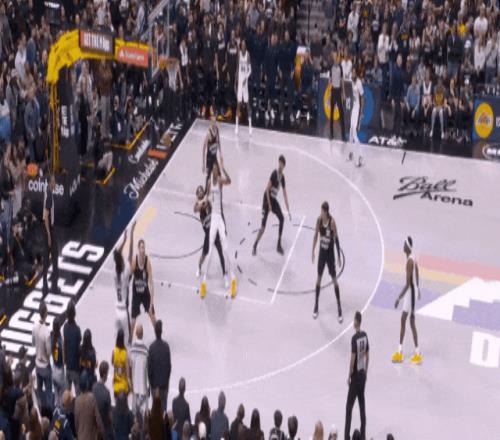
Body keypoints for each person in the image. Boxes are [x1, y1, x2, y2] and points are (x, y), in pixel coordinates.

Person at [200, 160, 236, 298]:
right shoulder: (210, 182)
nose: (215, 171)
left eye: (216, 169)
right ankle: (203, 283)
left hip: (219, 217)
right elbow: (207, 195)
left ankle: (231, 278)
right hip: (213, 218)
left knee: (225, 249)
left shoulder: (220, 180)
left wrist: (224, 168)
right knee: (209, 251)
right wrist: (204, 202)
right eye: (214, 169)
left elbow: (230, 181)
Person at [392, 236, 423, 364]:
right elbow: (418, 272)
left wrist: (398, 298)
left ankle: (417, 353)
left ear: (408, 247)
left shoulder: (410, 262)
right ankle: (400, 351)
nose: (403, 246)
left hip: (411, 294)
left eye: (404, 244)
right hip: (412, 292)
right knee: (403, 319)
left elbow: (407, 284)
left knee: (411, 322)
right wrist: (418, 287)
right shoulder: (412, 258)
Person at [252, 155, 291, 256]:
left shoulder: (282, 178)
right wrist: (269, 205)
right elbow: (266, 190)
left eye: (282, 164)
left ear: (284, 166)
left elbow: (285, 194)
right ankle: (255, 245)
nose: (280, 165)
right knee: (263, 227)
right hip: (267, 200)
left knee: (282, 219)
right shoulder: (274, 174)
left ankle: (278, 245)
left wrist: (288, 209)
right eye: (280, 163)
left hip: (273, 200)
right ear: (278, 163)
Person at [311, 202, 343, 322]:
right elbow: (315, 235)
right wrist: (313, 250)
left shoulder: (332, 222)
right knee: (319, 278)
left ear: (325, 211)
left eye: (321, 211)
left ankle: (339, 307)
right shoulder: (319, 220)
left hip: (330, 255)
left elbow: (337, 239)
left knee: (334, 279)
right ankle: (316, 305)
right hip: (322, 254)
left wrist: (338, 256)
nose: (320, 213)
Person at [344, 311, 369, 440]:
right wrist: (366, 372)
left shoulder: (354, 339)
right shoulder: (365, 336)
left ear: (356, 322)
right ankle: (363, 434)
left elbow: (353, 357)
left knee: (349, 408)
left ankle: (346, 437)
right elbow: (367, 355)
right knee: (362, 406)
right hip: (362, 375)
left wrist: (349, 375)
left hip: (355, 377)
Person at [194, 185, 226, 279]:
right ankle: (199, 268)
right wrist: (203, 201)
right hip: (208, 235)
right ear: (197, 195)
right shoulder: (198, 204)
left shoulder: (208, 201)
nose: (200, 192)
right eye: (199, 191)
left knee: (221, 252)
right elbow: (195, 209)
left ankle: (224, 273)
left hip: (214, 232)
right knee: (204, 254)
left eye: (201, 191)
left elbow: (210, 202)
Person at [130, 238, 156, 336]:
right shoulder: (134, 261)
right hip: (136, 293)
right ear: (138, 249)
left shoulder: (147, 262)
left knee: (152, 316)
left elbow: (151, 284)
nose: (143, 250)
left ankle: (158, 335)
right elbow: (129, 276)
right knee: (133, 320)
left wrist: (151, 303)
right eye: (142, 248)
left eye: (144, 248)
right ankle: (129, 340)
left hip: (145, 293)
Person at [114, 221, 136, 344]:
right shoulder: (125, 273)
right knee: (127, 341)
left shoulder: (115, 272)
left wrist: (124, 240)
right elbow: (131, 254)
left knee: (117, 340)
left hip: (116, 309)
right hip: (123, 310)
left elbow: (117, 254)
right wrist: (131, 235)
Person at [148, 320, 171, 412]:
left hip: (155, 386)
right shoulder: (166, 347)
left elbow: (149, 369)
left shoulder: (151, 347)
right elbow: (169, 367)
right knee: (163, 410)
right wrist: (167, 381)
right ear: (161, 331)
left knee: (155, 410)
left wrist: (152, 384)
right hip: (164, 385)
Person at [32, 301, 52, 409]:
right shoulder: (47, 332)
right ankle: (49, 414)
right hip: (45, 366)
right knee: (48, 392)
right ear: (46, 313)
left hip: (37, 364)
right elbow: (49, 352)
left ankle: (39, 410)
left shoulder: (34, 327)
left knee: (39, 391)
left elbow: (33, 342)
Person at [74, 371, 105, 440]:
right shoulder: (91, 398)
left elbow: (76, 423)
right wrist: (102, 434)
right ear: (87, 384)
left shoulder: (77, 400)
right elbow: (98, 421)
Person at [42, 174, 58, 295]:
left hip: (48, 230)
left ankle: (45, 286)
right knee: (54, 257)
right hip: (49, 230)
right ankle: (53, 287)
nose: (55, 183)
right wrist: (48, 235)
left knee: (47, 259)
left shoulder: (47, 192)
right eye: (53, 181)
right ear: (49, 183)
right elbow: (45, 216)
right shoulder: (49, 196)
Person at [129, 323, 149, 419]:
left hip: (135, 384)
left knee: (135, 413)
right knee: (143, 413)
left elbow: (130, 365)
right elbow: (147, 367)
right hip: (143, 385)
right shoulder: (145, 350)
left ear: (136, 334)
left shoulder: (132, 349)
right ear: (142, 334)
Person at [63, 301, 81, 395]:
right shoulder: (77, 330)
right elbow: (78, 348)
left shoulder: (65, 327)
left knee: (67, 392)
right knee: (78, 392)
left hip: (68, 366)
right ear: (74, 313)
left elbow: (65, 344)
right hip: (75, 367)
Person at [348, 68, 364, 167]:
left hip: (357, 109)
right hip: (352, 108)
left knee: (354, 133)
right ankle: (351, 154)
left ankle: (361, 156)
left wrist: (361, 112)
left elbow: (362, 97)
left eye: (354, 73)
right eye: (352, 72)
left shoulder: (359, 83)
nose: (352, 74)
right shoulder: (350, 81)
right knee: (350, 132)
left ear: (356, 74)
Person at [235, 39, 252, 135]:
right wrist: (236, 79)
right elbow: (238, 67)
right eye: (241, 45)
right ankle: (237, 125)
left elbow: (250, 70)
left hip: (245, 83)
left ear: (246, 46)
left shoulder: (248, 55)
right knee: (238, 104)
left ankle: (250, 126)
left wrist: (246, 77)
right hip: (240, 83)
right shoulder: (239, 54)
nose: (243, 46)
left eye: (244, 45)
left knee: (248, 103)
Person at [92, 362, 113, 440]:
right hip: (104, 427)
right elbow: (110, 415)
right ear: (105, 374)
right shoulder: (106, 392)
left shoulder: (93, 387)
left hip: (94, 425)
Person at [329, 51, 346, 141]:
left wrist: (343, 93)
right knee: (331, 113)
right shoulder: (331, 67)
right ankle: (331, 134)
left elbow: (342, 80)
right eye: (334, 56)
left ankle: (343, 135)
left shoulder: (340, 67)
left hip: (338, 91)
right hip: (333, 90)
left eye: (336, 56)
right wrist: (329, 93)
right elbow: (330, 80)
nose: (335, 58)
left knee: (341, 114)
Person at [202, 114, 222, 188]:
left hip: (214, 157)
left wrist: (221, 154)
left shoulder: (217, 130)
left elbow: (218, 142)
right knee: (208, 177)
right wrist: (203, 164)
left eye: (215, 121)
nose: (214, 123)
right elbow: (204, 148)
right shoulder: (209, 133)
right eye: (213, 121)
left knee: (218, 175)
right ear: (210, 122)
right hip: (209, 158)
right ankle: (206, 191)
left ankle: (216, 190)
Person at [51, 316, 65, 407]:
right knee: (62, 397)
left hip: (54, 369)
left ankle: (55, 411)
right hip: (60, 372)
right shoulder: (60, 342)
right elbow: (63, 361)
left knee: (56, 397)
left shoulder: (52, 338)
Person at [112, 329, 129, 398]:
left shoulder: (114, 351)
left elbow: (112, 362)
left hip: (116, 384)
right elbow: (127, 369)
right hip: (123, 385)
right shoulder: (125, 352)